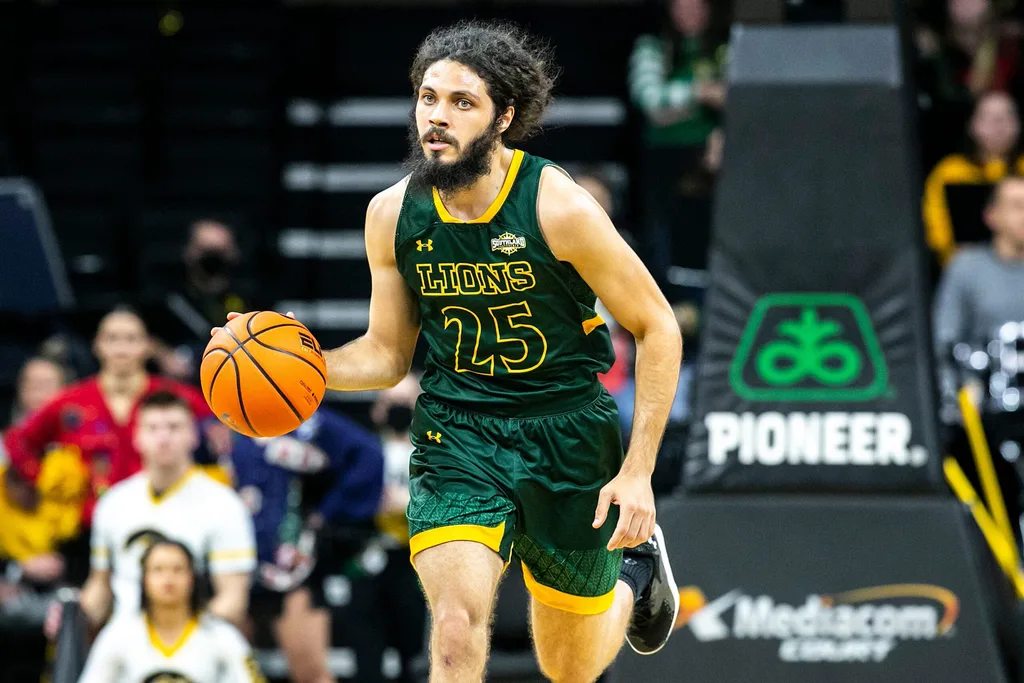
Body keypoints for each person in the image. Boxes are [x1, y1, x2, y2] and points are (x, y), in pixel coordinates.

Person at [219, 20, 682, 682]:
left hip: (567, 432)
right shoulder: (391, 214)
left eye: (462, 102)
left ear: (504, 117)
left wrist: (637, 471)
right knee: (456, 629)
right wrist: (298, 367)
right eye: (428, 97)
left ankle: (634, 576)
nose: (437, 116)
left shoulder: (559, 207)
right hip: (458, 433)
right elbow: (386, 353)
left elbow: (658, 325)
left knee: (568, 666)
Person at [49, 391, 255, 637]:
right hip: (126, 636)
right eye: (153, 428)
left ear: (193, 435)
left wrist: (176, 635)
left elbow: (233, 600)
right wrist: (74, 616)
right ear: (136, 436)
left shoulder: (224, 504)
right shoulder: (114, 502)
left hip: (197, 636)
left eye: (174, 427)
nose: (163, 437)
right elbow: (100, 589)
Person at [3, 307, 230, 528]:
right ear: (97, 345)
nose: (121, 348)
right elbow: (19, 441)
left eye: (131, 339)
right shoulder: (70, 401)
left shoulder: (174, 396)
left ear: (147, 346)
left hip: (161, 522)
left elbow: (222, 431)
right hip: (87, 528)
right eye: (112, 339)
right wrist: (45, 486)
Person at [232, 407, 384, 683]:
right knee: (228, 673)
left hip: (294, 565)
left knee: (311, 674)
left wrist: (328, 512)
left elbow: (369, 456)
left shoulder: (311, 422)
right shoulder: (222, 419)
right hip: (233, 564)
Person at [78, 538, 265, 683]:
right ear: (144, 579)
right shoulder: (118, 634)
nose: (168, 579)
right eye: (158, 570)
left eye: (177, 569)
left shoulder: (222, 636)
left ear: (193, 578)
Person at [370, 374, 428, 683]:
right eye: (391, 403)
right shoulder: (364, 452)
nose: (398, 410)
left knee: (413, 654)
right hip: (369, 555)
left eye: (405, 403)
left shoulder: (435, 454)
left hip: (416, 561)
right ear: (378, 408)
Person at [923, 91, 1024, 265]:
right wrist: (957, 260)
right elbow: (936, 230)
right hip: (965, 266)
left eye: (1007, 116)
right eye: (989, 118)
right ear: (973, 125)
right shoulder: (950, 172)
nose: (999, 125)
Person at [154, 220, 252, 383]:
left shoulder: (248, 296)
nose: (212, 258)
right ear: (189, 251)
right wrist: (163, 355)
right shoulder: (166, 296)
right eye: (206, 250)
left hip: (233, 379)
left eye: (219, 251)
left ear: (233, 253)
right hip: (180, 383)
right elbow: (143, 333)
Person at [8, 357, 67, 427]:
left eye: (46, 385)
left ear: (63, 390)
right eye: (32, 384)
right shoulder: (5, 432)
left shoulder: (73, 431)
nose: (38, 392)